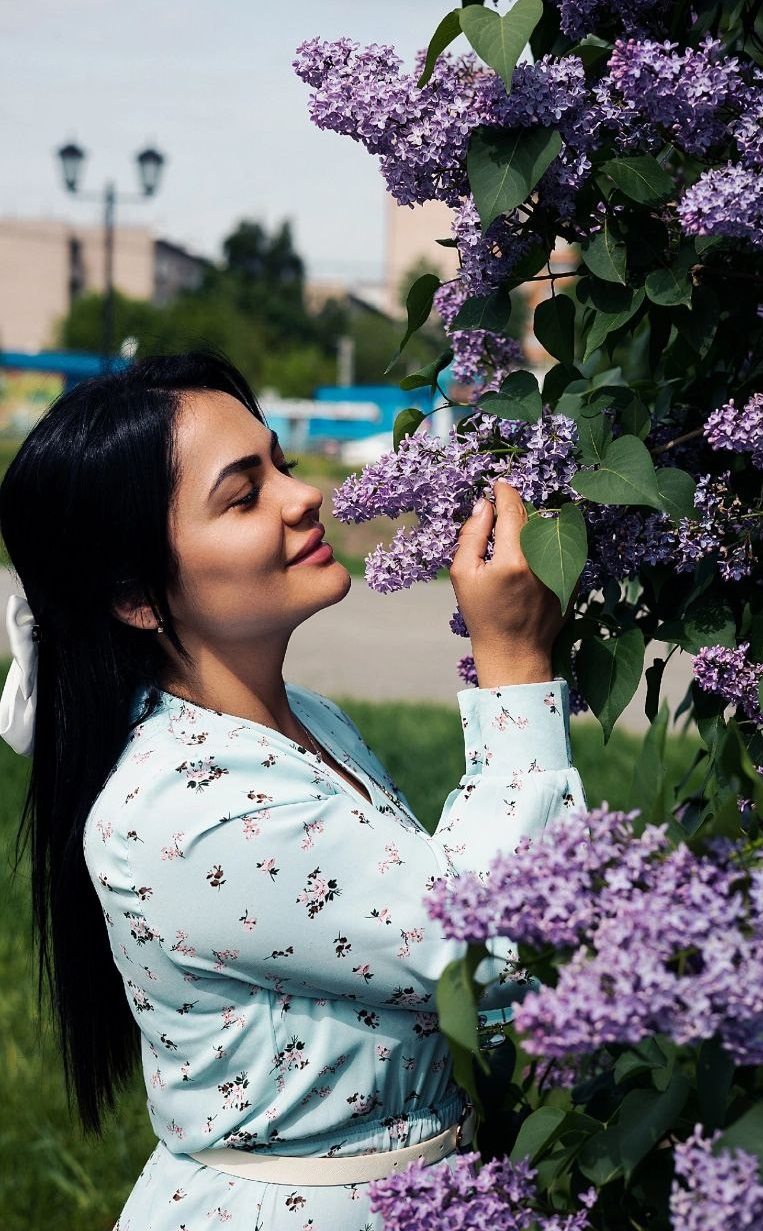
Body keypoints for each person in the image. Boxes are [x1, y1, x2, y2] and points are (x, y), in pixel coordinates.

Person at [0, 351, 587, 1230]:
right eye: (243, 495)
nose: (300, 496)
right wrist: (512, 668)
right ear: (132, 594)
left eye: (280, 462)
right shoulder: (189, 810)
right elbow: (491, 947)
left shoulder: (299, 718)